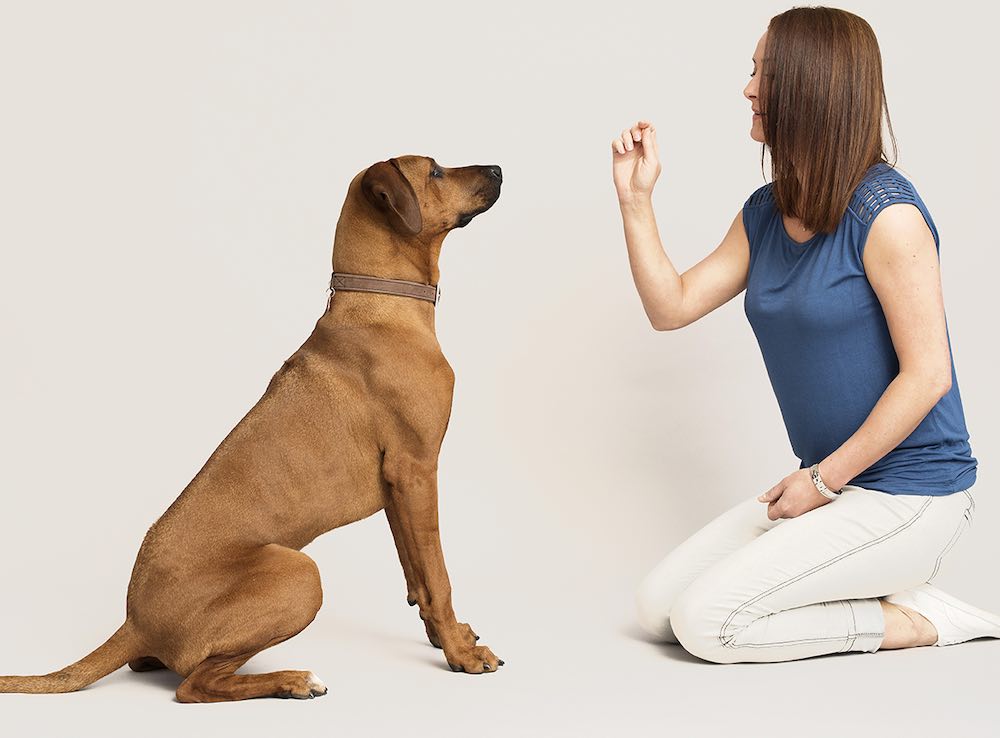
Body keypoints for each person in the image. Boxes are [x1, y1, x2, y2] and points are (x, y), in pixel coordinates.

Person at [611, 6, 1000, 664]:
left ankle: (918, 620)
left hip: (912, 494)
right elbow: (671, 307)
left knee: (708, 624)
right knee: (658, 611)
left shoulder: (889, 217)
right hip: (832, 486)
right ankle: (869, 590)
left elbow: (928, 374)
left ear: (809, 86)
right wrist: (636, 203)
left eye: (763, 72)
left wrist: (821, 483)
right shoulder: (766, 213)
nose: (749, 88)